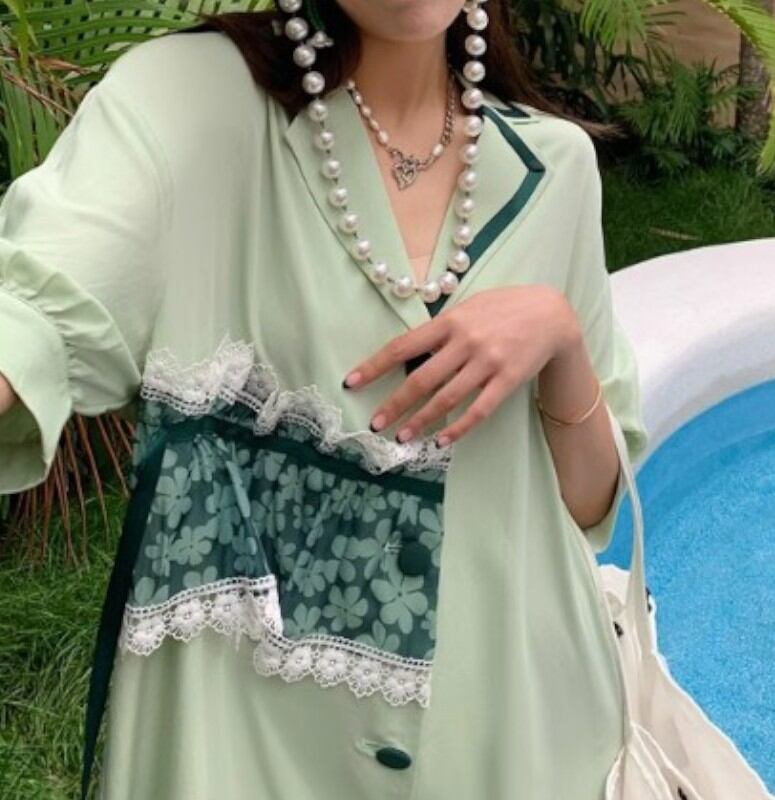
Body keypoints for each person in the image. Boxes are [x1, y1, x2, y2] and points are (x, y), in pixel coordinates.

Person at [0, 0, 649, 797]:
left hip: (513, 718)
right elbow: (38, 300)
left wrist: (560, 335)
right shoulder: (192, 102)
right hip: (247, 737)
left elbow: (591, 503)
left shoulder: (557, 167)